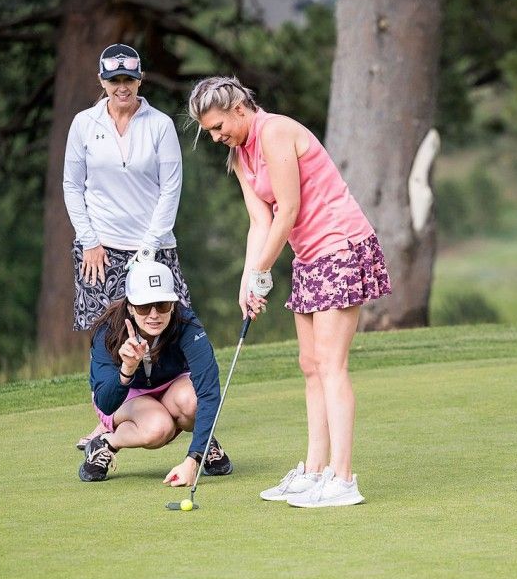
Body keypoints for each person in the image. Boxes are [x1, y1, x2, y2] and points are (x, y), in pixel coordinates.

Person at [187, 76, 390, 508]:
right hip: (309, 255)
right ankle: (314, 471)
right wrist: (249, 278)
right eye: (210, 132)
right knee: (310, 365)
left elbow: (290, 208)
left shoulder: (275, 132)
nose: (217, 136)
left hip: (340, 246)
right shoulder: (239, 156)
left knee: (332, 365)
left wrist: (262, 271)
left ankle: (343, 478)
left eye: (220, 126)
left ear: (239, 109)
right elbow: (261, 222)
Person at [64, 43, 189, 449]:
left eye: (129, 80)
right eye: (114, 80)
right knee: (106, 332)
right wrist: (90, 241)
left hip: (153, 246)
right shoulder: (84, 124)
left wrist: (150, 247)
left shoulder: (159, 124)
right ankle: (108, 419)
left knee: (164, 320)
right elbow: (72, 186)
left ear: (140, 80)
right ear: (102, 82)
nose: (122, 87)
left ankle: (169, 399)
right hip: (101, 247)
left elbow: (171, 189)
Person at [79, 259, 232, 485]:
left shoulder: (186, 323)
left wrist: (193, 458)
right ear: (130, 306)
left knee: (192, 403)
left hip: (172, 386)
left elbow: (209, 392)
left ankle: (204, 442)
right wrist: (127, 370)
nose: (153, 315)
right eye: (143, 306)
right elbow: (105, 403)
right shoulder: (108, 331)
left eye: (161, 305)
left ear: (172, 304)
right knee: (158, 428)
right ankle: (107, 443)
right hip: (125, 393)